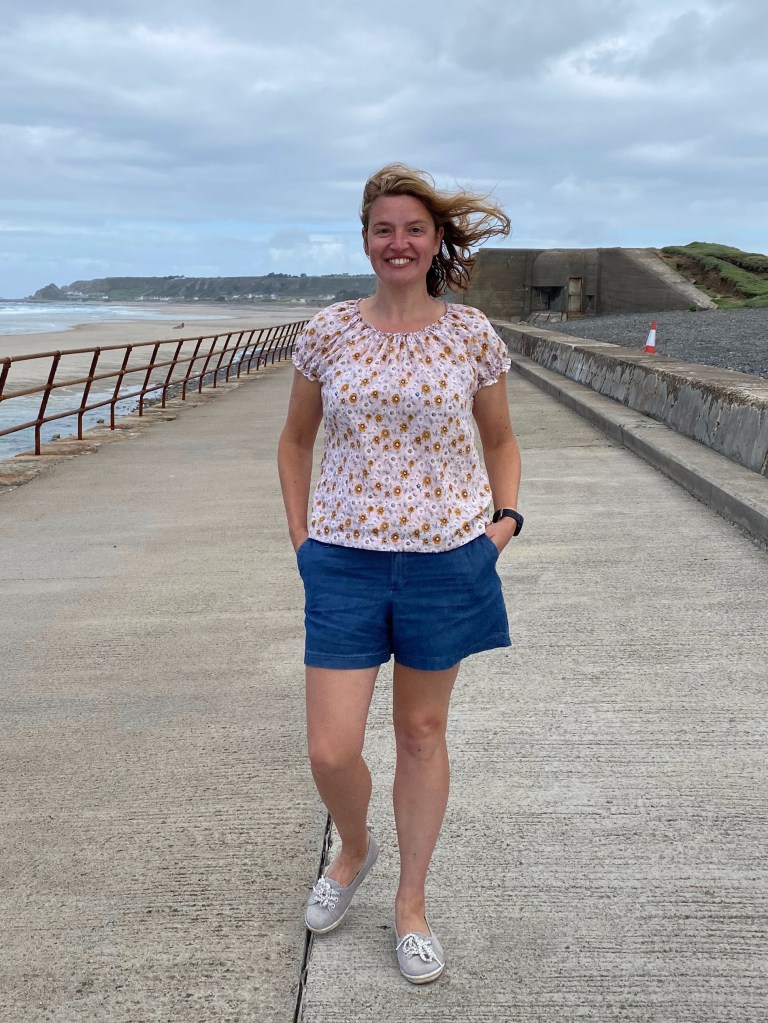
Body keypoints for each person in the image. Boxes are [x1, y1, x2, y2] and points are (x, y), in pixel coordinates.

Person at [277, 162, 522, 984]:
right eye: (384, 228)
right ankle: (354, 848)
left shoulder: (470, 334)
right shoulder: (328, 332)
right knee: (330, 748)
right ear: (365, 240)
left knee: (420, 733)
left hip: (447, 562)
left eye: (414, 228)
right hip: (343, 561)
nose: (399, 242)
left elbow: (500, 439)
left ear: (435, 240)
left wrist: (503, 524)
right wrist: (303, 539)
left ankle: (411, 904)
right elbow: (295, 441)